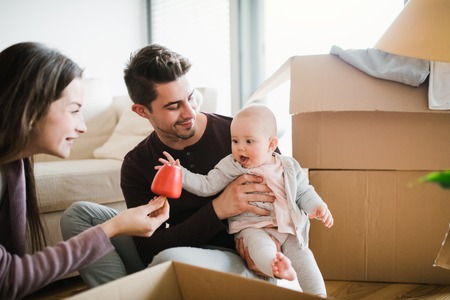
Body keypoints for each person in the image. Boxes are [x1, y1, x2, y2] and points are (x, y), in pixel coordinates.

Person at [61, 44, 278, 287]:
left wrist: (273, 248)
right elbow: (145, 249)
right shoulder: (137, 163)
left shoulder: (242, 137)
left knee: (170, 259)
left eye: (190, 97)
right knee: (78, 216)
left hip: (236, 257)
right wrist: (217, 209)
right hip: (168, 253)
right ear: (142, 111)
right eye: (174, 106)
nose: (189, 112)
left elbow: (290, 201)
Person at [0, 42, 169, 299]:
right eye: (75, 111)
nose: (83, 127)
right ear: (31, 107)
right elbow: (8, 279)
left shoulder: (14, 165)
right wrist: (112, 228)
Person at [157, 104, 333, 297]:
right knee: (260, 249)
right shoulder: (232, 165)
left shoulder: (288, 166)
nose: (240, 147)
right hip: (252, 227)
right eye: (235, 141)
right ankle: (276, 267)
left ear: (271, 144)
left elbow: (303, 192)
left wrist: (317, 207)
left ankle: (318, 295)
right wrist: (181, 173)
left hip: (288, 228)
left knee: (305, 257)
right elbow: (207, 185)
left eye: (249, 141)